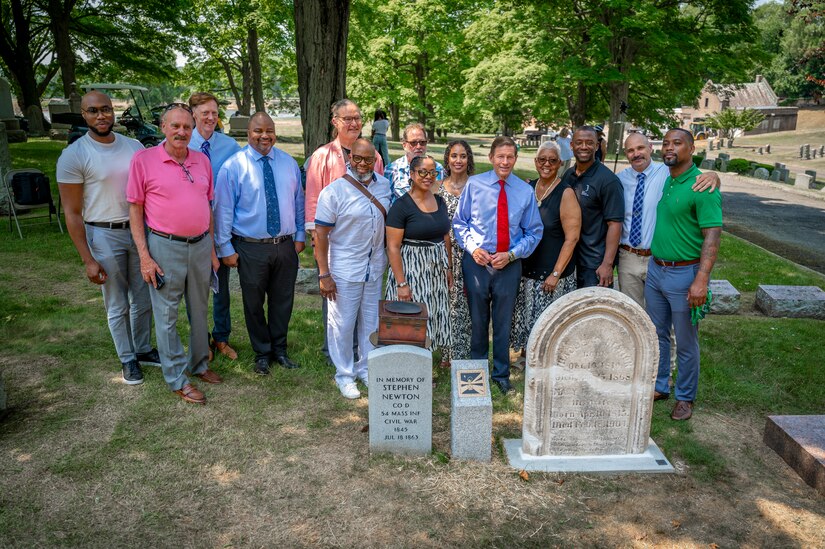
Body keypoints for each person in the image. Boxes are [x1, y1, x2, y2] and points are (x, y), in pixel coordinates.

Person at [57, 91, 158, 386]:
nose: (101, 116)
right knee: (117, 302)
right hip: (103, 233)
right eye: (93, 111)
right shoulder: (74, 155)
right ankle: (127, 358)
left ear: (114, 112)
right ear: (83, 115)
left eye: (106, 110)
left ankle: (142, 349)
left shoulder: (135, 146)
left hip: (139, 230)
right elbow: (72, 213)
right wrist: (88, 259)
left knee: (143, 297)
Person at [127, 104, 223, 405]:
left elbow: (207, 205)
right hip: (164, 246)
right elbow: (135, 209)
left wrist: (211, 248)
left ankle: (198, 364)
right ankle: (177, 378)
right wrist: (145, 256)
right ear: (163, 127)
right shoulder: (144, 161)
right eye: (175, 126)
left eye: (187, 127)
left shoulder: (201, 161)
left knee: (199, 308)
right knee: (166, 314)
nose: (182, 132)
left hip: (200, 245)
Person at [214, 112, 305, 375]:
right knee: (253, 303)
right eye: (258, 131)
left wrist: (299, 236)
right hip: (250, 246)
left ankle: (280, 349)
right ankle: (262, 352)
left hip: (285, 245)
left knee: (282, 300)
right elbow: (223, 211)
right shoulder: (234, 166)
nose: (264, 136)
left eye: (269, 130)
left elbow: (298, 203)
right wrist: (225, 248)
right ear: (248, 133)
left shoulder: (288, 163)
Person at [453, 136, 542, 395]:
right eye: (500, 156)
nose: (505, 161)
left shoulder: (525, 191)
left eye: (510, 157)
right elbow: (461, 223)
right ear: (491, 158)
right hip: (477, 262)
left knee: (503, 321)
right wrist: (473, 248)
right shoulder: (475, 185)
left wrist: (512, 254)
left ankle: (501, 374)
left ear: (515, 159)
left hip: (508, 264)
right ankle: (477, 374)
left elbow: (534, 231)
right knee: (478, 320)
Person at [645, 128, 722, 421]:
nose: (669, 148)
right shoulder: (669, 180)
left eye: (677, 143)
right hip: (657, 270)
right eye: (665, 143)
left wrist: (701, 279)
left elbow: (712, 236)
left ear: (691, 148)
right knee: (657, 333)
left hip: (685, 273)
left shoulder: (703, 186)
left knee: (687, 341)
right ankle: (660, 385)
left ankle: (685, 397)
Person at [305, 99, 385, 364]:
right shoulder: (322, 156)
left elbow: (379, 194)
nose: (353, 123)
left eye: (357, 118)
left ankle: (362, 357)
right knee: (336, 302)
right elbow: (314, 204)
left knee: (366, 309)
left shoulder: (377, 157)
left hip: (368, 250)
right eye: (346, 119)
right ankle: (336, 354)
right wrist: (320, 255)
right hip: (337, 246)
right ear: (335, 122)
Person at [314, 138, 391, 400]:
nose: (361, 163)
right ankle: (344, 375)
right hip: (344, 269)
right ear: (349, 159)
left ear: (375, 160)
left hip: (374, 267)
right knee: (342, 324)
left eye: (367, 159)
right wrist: (324, 274)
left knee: (370, 321)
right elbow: (321, 235)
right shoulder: (333, 192)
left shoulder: (385, 187)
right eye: (356, 158)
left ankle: (366, 368)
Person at [617, 132, 720, 307]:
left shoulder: (668, 173)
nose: (636, 154)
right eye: (630, 150)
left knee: (662, 316)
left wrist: (714, 176)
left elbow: (694, 177)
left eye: (640, 148)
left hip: (658, 260)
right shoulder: (619, 180)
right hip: (628, 257)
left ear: (651, 148)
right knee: (632, 314)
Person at [510, 141, 581, 356]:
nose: (546, 164)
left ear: (560, 163)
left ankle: (544, 362)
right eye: (542, 160)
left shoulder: (565, 193)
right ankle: (526, 358)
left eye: (552, 160)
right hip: (526, 271)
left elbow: (572, 238)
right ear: (535, 162)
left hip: (551, 275)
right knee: (525, 318)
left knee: (546, 325)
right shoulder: (527, 188)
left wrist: (556, 273)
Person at [187, 92, 242, 362]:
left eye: (214, 112)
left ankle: (221, 337)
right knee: (196, 290)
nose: (210, 117)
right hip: (191, 227)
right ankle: (199, 340)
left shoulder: (231, 147)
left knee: (221, 288)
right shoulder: (180, 145)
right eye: (204, 112)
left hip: (222, 228)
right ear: (193, 114)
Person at [385, 155, 452, 366]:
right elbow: (393, 247)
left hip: (436, 269)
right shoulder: (401, 206)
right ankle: (413, 366)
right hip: (412, 269)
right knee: (413, 317)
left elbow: (445, 236)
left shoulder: (440, 201)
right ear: (412, 174)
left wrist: (448, 267)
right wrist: (401, 283)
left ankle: (427, 360)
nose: (428, 177)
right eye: (422, 172)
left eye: (433, 172)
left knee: (433, 313)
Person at [560, 126, 624, 289]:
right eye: (579, 142)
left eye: (589, 143)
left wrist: (607, 264)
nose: (584, 147)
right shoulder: (568, 175)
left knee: (593, 312)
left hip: (594, 263)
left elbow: (615, 224)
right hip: (570, 259)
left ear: (597, 146)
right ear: (571, 145)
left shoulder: (608, 180)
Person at [438, 140, 475, 365]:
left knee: (469, 305)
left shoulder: (477, 186)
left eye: (463, 156)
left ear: (469, 159)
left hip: (471, 252)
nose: (458, 160)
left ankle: (466, 353)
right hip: (444, 252)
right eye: (454, 156)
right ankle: (448, 353)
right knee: (448, 303)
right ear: (448, 159)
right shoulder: (437, 187)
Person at [384, 123, 444, 202]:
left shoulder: (438, 169)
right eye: (413, 143)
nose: (418, 146)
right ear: (404, 145)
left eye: (422, 142)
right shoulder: (391, 169)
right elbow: (386, 200)